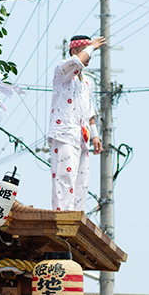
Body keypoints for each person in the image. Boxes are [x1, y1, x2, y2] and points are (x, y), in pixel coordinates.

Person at [48, 34, 105, 212]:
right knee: (64, 175)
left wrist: (95, 135)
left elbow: (90, 110)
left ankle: (76, 214)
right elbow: (76, 63)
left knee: (81, 180)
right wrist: (92, 46)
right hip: (63, 131)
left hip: (82, 135)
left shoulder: (87, 81)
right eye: (86, 52)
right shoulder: (61, 71)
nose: (89, 57)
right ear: (74, 51)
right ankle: (62, 213)